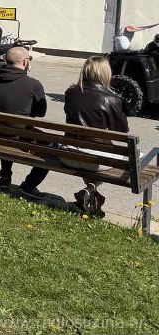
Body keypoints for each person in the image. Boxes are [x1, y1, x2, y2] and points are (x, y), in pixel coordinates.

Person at [63, 56, 129, 216]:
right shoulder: (112, 99)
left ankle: (90, 197)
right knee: (125, 156)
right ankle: (90, 191)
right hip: (95, 160)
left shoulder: (71, 93)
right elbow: (122, 131)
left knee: (93, 153)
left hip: (67, 154)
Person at [0, 46, 49, 196]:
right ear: (25, 62)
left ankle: (5, 176)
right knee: (52, 148)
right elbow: (41, 112)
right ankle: (29, 185)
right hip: (18, 138)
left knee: (8, 128)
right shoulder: (33, 84)